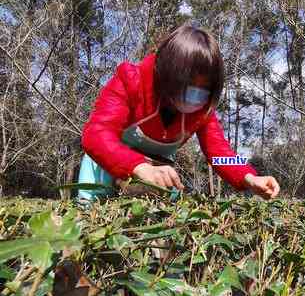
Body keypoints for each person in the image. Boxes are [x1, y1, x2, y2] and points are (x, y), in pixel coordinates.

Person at [77, 24, 280, 202]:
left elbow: (219, 153)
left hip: (157, 176)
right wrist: (139, 167)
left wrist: (249, 177)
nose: (195, 95)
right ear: (167, 74)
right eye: (187, 85)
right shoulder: (131, 80)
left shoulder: (203, 110)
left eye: (204, 89)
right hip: (105, 168)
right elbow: (96, 134)